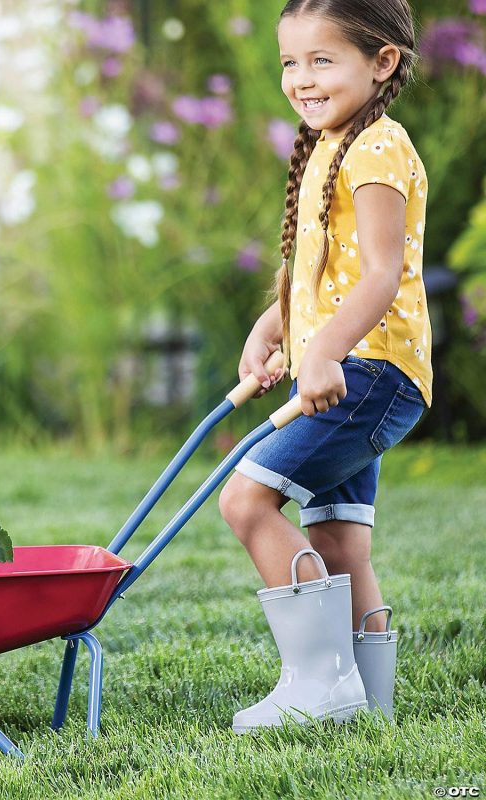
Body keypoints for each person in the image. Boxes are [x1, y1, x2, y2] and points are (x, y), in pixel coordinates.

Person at [218, 0, 431, 733]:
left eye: (321, 60)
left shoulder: (376, 149)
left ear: (382, 63)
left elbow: (380, 274)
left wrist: (322, 351)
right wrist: (276, 324)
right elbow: (326, 269)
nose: (301, 79)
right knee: (340, 538)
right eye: (289, 62)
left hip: (366, 371)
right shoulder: (333, 141)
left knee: (245, 501)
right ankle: (369, 703)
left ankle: (318, 682)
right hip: (357, 365)